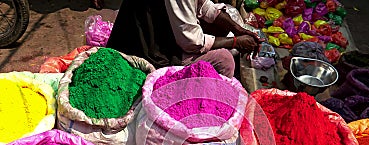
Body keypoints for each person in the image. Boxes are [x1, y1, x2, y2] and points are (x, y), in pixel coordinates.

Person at [106, 0, 261, 78]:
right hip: (144, 49)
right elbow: (191, 42)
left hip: (155, 32)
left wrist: (238, 30)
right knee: (224, 60)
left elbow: (203, 6)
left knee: (221, 27)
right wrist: (236, 42)